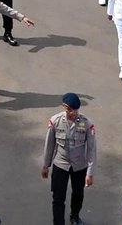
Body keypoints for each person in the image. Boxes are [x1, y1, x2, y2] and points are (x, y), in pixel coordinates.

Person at [42, 92, 97, 225]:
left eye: (76, 110)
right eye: (71, 110)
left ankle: (75, 217)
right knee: (58, 197)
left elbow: (91, 149)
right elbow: (49, 144)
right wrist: (46, 165)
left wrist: (90, 173)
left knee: (78, 194)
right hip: (60, 164)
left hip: (79, 166)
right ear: (64, 107)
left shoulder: (86, 123)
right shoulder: (55, 121)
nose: (74, 113)